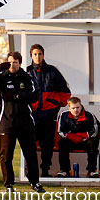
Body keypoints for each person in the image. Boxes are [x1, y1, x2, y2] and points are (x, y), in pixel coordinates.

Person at [0, 51, 45, 192]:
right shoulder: (2, 77)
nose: (12, 65)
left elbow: (35, 96)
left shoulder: (27, 77)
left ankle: (35, 182)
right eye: (9, 62)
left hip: (25, 123)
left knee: (31, 154)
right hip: (7, 123)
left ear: (20, 63)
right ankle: (9, 184)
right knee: (6, 156)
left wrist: (17, 96)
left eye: (15, 62)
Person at [26, 43, 71, 177]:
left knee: (47, 145)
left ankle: (45, 170)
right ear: (31, 56)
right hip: (32, 115)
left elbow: (66, 92)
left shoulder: (52, 71)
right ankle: (31, 171)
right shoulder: (26, 71)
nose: (38, 56)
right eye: (35, 54)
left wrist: (56, 104)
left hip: (48, 115)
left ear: (43, 55)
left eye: (40, 54)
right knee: (30, 144)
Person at [56, 96, 100, 178]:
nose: (76, 110)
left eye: (78, 107)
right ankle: (65, 170)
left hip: (85, 141)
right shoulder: (63, 115)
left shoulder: (90, 116)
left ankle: (91, 170)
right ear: (69, 108)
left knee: (92, 143)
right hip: (71, 141)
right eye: (73, 108)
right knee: (62, 143)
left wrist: (82, 137)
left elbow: (95, 131)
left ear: (81, 107)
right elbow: (60, 131)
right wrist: (74, 137)